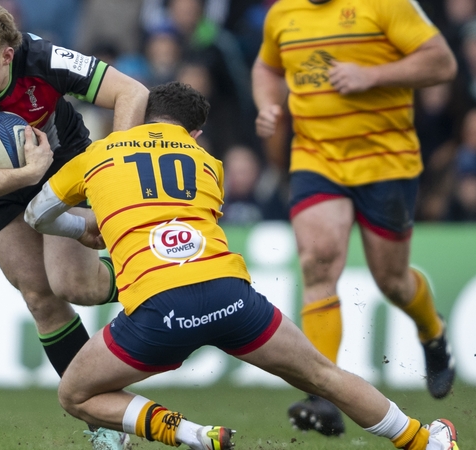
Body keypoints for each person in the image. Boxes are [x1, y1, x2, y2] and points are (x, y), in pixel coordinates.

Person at [24, 81, 460, 450]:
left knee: (75, 394)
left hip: (160, 310)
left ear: (143, 118)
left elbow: (37, 214)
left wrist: (81, 229)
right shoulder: (210, 165)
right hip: (230, 296)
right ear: (195, 133)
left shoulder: (98, 155)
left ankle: (193, 434)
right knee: (324, 375)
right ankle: (427, 442)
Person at [0, 1, 148, 448]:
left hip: (62, 164)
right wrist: (25, 175)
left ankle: (156, 275)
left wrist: (113, 169)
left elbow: (132, 93)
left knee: (75, 286)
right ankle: (103, 420)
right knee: (40, 297)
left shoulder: (43, 58)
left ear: (7, 54)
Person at [251, 0, 459, 435]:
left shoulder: (386, 5)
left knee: (393, 281)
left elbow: (442, 63)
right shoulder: (282, 13)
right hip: (316, 159)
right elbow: (267, 68)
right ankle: (323, 396)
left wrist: (373, 75)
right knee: (317, 262)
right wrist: (268, 104)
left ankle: (432, 331)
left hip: (386, 163)